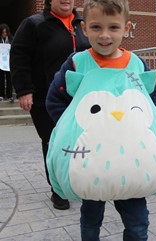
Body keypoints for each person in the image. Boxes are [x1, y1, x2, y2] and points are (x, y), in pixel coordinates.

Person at [45, 0, 156, 240]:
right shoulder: (77, 64)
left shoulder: (136, 64)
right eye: (97, 27)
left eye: (113, 27)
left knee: (138, 222)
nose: (105, 35)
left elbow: (152, 96)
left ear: (126, 27)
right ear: (85, 28)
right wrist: (74, 128)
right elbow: (55, 100)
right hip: (92, 159)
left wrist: (141, 126)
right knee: (90, 219)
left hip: (130, 159)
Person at [10, 0, 90, 210]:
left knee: (80, 141)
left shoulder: (81, 24)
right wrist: (25, 90)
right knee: (54, 142)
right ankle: (58, 189)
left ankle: (77, 182)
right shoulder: (34, 24)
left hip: (80, 98)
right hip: (47, 98)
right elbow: (19, 57)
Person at [0, 23, 14, 102]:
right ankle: (1, 95)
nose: (4, 34)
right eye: (3, 32)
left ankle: (10, 95)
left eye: (5, 32)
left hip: (8, 63)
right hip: (0, 63)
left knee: (9, 79)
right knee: (1, 79)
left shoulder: (11, 39)